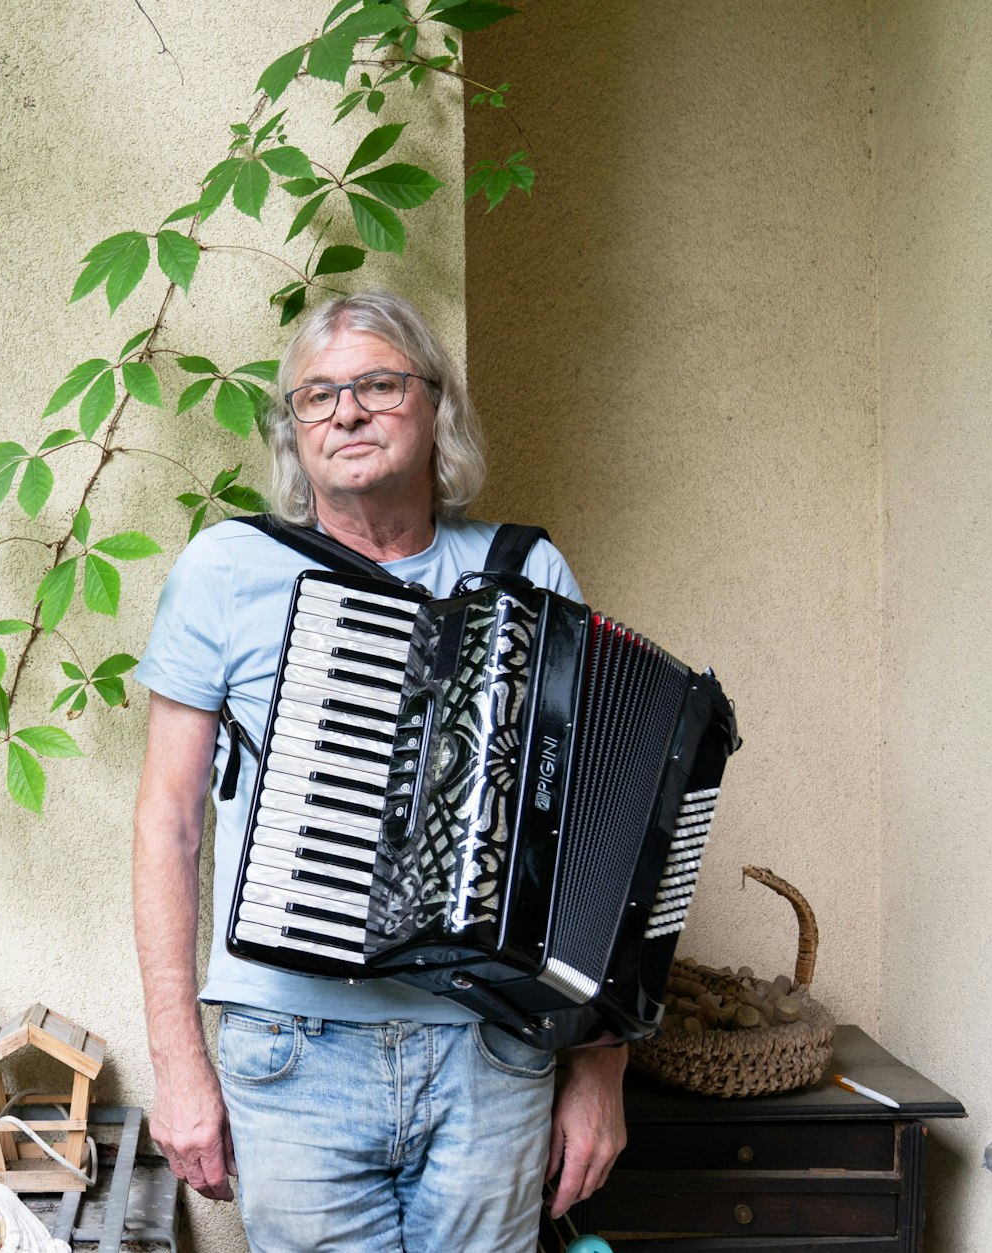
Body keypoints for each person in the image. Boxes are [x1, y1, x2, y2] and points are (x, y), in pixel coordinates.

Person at [131, 289, 627, 1252]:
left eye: (377, 384)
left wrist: (599, 1071)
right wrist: (177, 1060)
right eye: (316, 397)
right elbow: (167, 822)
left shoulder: (529, 571)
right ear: (294, 433)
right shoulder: (226, 570)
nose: (345, 411)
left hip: (491, 1051)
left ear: (436, 407)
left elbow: (596, 836)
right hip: (290, 1054)